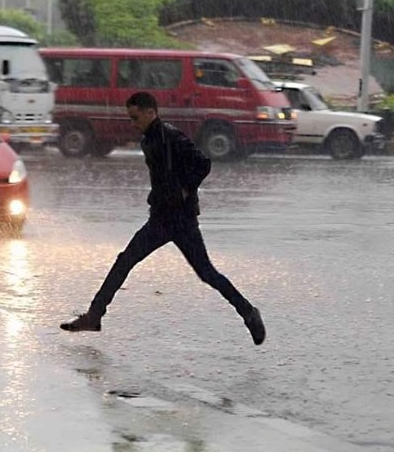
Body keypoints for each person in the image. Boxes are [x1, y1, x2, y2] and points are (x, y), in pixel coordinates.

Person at [60, 91, 267, 345]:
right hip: (159, 219)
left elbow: (203, 163)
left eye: (136, 117)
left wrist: (184, 190)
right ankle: (94, 315)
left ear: (151, 112)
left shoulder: (171, 136)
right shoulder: (148, 140)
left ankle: (248, 312)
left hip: (181, 220)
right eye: (130, 118)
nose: (133, 123)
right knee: (125, 261)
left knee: (206, 273)